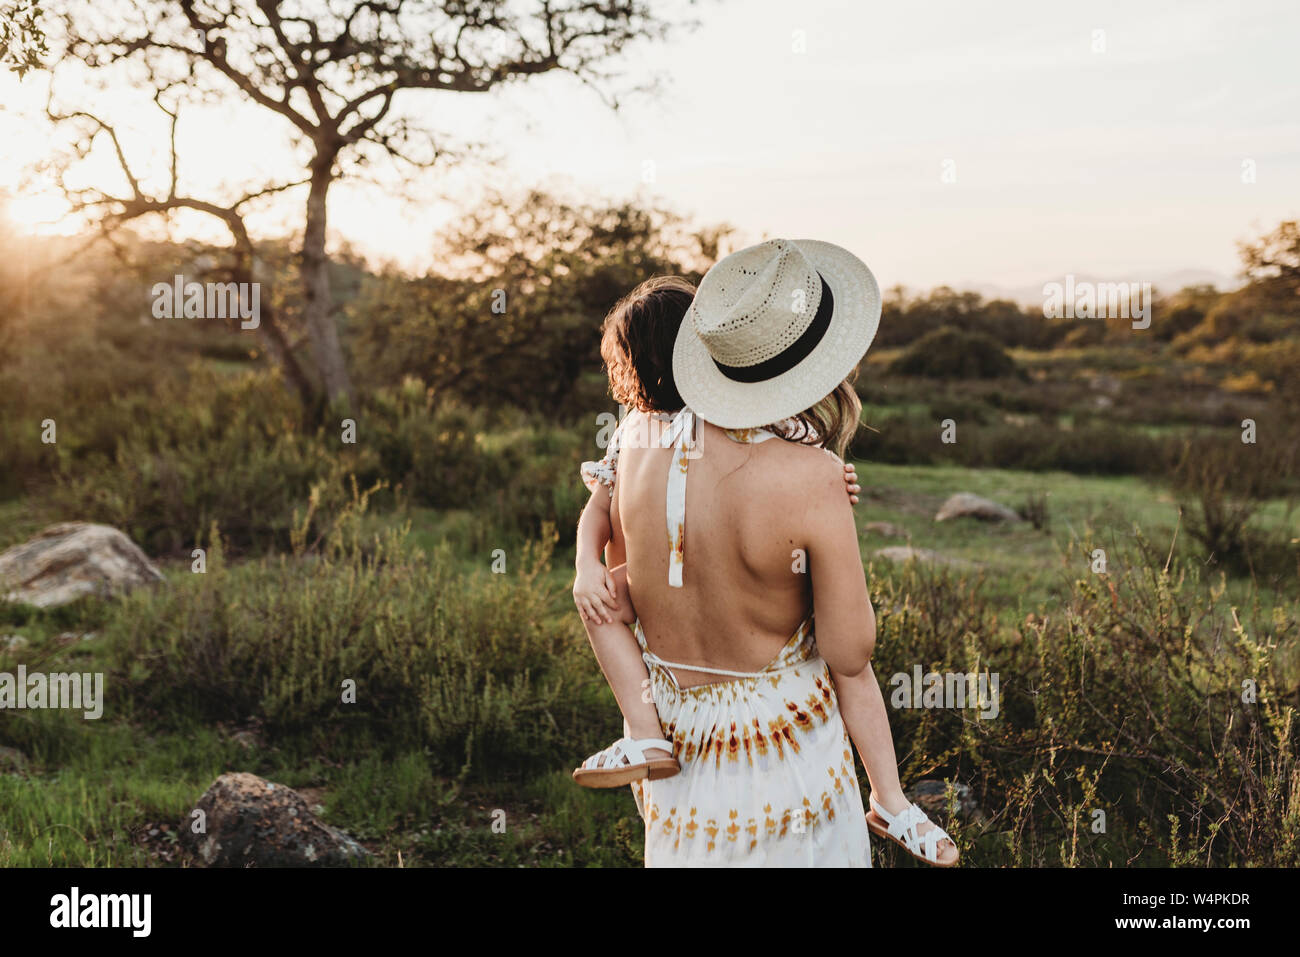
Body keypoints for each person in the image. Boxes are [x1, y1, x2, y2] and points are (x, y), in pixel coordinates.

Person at [576, 240, 958, 866]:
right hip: (784, 747)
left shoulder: (636, 443)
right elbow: (849, 652)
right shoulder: (811, 475)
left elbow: (633, 582)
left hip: (673, 737)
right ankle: (891, 800)